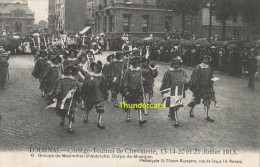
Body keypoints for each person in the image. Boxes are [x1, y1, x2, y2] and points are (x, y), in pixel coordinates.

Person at [50, 66, 80, 134]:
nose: (69, 72)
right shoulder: (61, 79)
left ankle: (70, 127)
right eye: (68, 70)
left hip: (72, 98)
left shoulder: (75, 80)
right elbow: (57, 88)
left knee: (71, 111)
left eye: (71, 71)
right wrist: (56, 95)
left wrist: (76, 90)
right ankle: (62, 118)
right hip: (62, 97)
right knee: (63, 109)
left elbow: (78, 89)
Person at [160, 58, 189, 127]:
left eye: (178, 64)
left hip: (179, 90)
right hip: (171, 91)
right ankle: (176, 121)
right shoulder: (168, 72)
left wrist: (185, 81)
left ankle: (171, 113)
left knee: (177, 105)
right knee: (174, 105)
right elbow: (165, 82)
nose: (177, 65)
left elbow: (186, 80)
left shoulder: (182, 72)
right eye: (175, 64)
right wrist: (164, 90)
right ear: (172, 64)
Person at [81, 61, 109, 129]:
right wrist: (89, 82)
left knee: (100, 108)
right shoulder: (89, 75)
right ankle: (86, 116)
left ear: (99, 68)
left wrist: (105, 93)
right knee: (89, 106)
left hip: (99, 94)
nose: (95, 68)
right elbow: (85, 84)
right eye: (94, 67)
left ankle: (99, 122)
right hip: (90, 94)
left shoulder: (102, 76)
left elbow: (104, 85)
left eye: (97, 67)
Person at [188, 55, 216, 122]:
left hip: (207, 87)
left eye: (207, 59)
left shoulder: (209, 67)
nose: (205, 60)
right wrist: (195, 86)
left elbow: (211, 76)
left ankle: (207, 116)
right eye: (204, 59)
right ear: (202, 60)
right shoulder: (198, 67)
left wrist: (212, 80)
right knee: (196, 100)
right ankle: (191, 110)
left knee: (207, 101)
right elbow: (194, 77)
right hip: (199, 87)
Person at [122, 56, 148, 125]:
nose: (137, 64)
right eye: (135, 63)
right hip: (130, 89)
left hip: (137, 89)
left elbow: (140, 77)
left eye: (138, 63)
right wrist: (126, 89)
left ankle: (140, 119)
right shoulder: (128, 70)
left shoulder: (139, 70)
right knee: (129, 102)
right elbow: (125, 80)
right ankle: (128, 116)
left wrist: (142, 80)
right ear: (132, 63)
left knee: (139, 103)